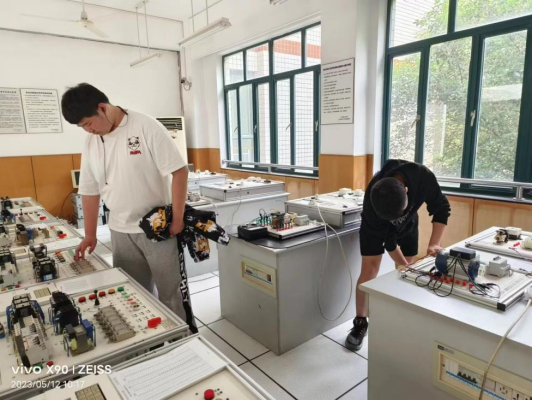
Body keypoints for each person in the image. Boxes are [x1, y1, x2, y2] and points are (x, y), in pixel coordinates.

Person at [62, 83, 196, 331]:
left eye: (88, 123)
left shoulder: (145, 126)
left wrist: (177, 218)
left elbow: (179, 171)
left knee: (171, 293)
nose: (88, 131)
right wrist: (90, 234)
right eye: (83, 128)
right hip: (120, 231)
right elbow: (90, 191)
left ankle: (182, 340)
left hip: (158, 229)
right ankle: (148, 340)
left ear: (102, 108)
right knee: (133, 295)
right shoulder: (91, 142)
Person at [345, 160, 451, 351]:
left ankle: (401, 317)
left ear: (406, 190)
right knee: (369, 270)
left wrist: (434, 243)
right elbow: (389, 242)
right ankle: (360, 322)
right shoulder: (373, 201)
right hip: (375, 227)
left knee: (405, 275)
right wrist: (406, 268)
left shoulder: (422, 177)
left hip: (409, 222)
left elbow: (441, 207)